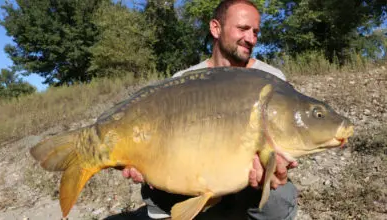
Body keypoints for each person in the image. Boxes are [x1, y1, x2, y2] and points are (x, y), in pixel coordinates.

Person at [122, 0, 298, 219]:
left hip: (248, 181)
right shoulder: (184, 80)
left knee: (279, 200)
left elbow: (287, 143)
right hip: (195, 175)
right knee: (154, 189)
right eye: (243, 29)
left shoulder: (270, 79)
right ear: (216, 28)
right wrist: (141, 162)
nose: (251, 38)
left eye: (255, 31)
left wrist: (279, 167)